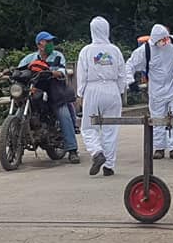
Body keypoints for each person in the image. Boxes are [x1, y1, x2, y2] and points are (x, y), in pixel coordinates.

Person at [126, 24, 173, 159]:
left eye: (166, 39)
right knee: (157, 118)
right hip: (157, 89)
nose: (165, 42)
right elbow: (130, 65)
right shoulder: (145, 50)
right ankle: (159, 147)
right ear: (155, 40)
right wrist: (130, 81)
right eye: (163, 40)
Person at [19, 31, 80, 164]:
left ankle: (72, 150)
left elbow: (62, 71)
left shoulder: (58, 56)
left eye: (51, 41)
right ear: (39, 44)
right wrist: (10, 71)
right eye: (47, 41)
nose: (50, 44)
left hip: (54, 90)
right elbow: (20, 69)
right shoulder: (30, 58)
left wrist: (55, 72)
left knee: (63, 113)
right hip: (36, 91)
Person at [76, 17, 127, 176]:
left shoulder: (86, 51)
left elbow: (82, 75)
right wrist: (119, 90)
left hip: (93, 89)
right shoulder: (115, 50)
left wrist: (80, 93)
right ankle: (109, 166)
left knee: (88, 127)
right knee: (110, 129)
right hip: (112, 89)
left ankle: (97, 152)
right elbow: (122, 74)